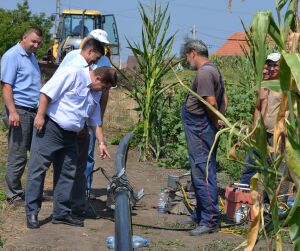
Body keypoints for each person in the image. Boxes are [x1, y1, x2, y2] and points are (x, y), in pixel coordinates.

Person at [25, 66, 117, 229]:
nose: (104, 92)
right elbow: (46, 93)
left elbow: (95, 121)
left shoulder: (96, 92)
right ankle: (32, 211)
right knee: (38, 170)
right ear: (97, 79)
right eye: (104, 87)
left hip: (71, 136)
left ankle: (61, 213)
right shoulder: (72, 74)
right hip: (50, 128)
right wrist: (39, 115)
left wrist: (102, 143)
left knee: (67, 173)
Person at [57, 29, 112, 219]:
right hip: (69, 119)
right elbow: (61, 88)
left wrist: (97, 123)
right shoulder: (72, 58)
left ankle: (81, 199)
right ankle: (65, 202)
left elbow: (103, 95)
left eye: (103, 45)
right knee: (67, 162)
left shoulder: (104, 61)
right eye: (97, 43)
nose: (100, 49)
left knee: (85, 161)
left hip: (87, 119)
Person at [180, 39, 225, 236]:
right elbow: (225, 98)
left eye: (187, 56)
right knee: (199, 170)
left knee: (203, 172)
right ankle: (201, 214)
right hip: (201, 127)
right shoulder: (213, 69)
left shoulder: (205, 72)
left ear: (192, 53)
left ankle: (210, 220)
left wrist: (215, 122)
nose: (187, 60)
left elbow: (212, 102)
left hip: (201, 128)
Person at [1, 27, 43, 205]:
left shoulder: (31, 57)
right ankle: (13, 194)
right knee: (18, 155)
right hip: (20, 110)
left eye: (39, 43)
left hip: (33, 111)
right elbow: (6, 86)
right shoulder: (12, 56)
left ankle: (28, 192)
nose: (36, 45)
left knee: (36, 154)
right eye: (33, 41)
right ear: (24, 38)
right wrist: (12, 112)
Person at [240, 52, 282, 184]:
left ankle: (276, 203)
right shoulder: (264, 86)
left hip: (277, 136)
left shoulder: (287, 86)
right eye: (269, 65)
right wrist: (254, 130)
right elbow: (258, 108)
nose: (271, 68)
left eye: (275, 65)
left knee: (276, 171)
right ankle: (244, 198)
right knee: (250, 166)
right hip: (260, 133)